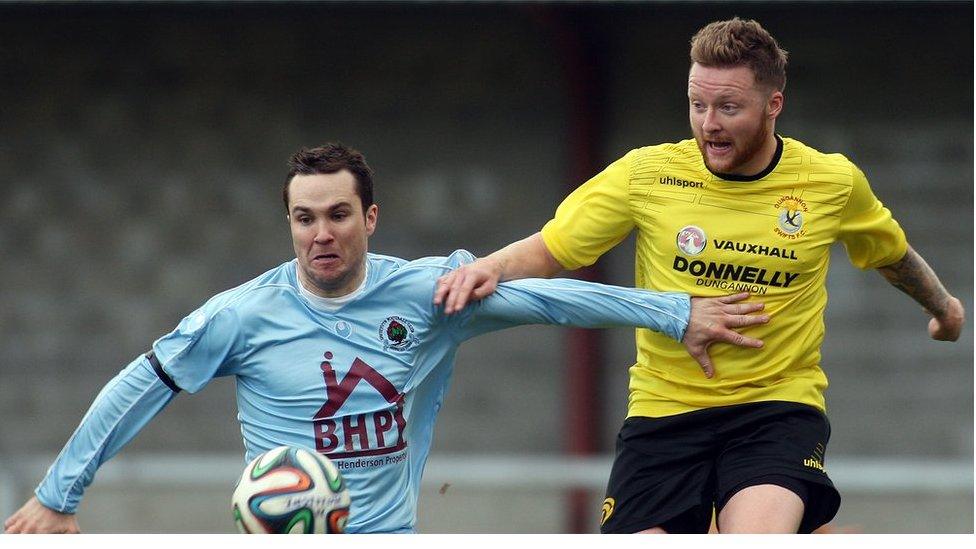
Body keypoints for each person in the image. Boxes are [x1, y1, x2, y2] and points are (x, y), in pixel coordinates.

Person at [3, 143, 769, 534]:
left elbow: (550, 300)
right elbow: (140, 383)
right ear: (290, 225)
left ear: (369, 218)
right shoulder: (241, 315)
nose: (320, 233)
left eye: (338, 214)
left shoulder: (431, 294)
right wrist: (55, 494)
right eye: (305, 218)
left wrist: (676, 311)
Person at [433, 18, 965, 534]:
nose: (708, 122)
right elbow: (553, 248)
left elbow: (892, 255)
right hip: (664, 410)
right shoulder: (646, 174)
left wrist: (943, 309)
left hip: (775, 409)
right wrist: (489, 267)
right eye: (697, 104)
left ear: (772, 105)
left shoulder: (831, 182)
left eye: (728, 107)